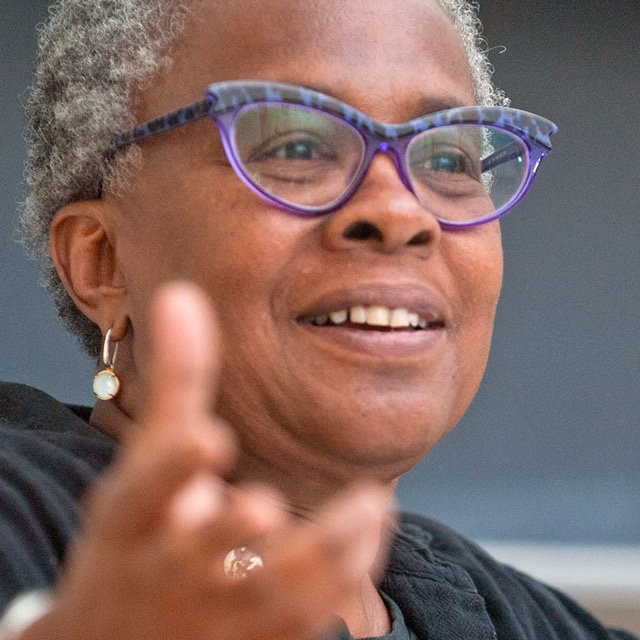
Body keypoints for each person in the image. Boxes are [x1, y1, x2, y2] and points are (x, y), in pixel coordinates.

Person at [0, 0, 635, 638]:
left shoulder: (524, 620)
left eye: (448, 159)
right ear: (102, 261)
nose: (400, 213)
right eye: (297, 144)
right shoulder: (22, 530)